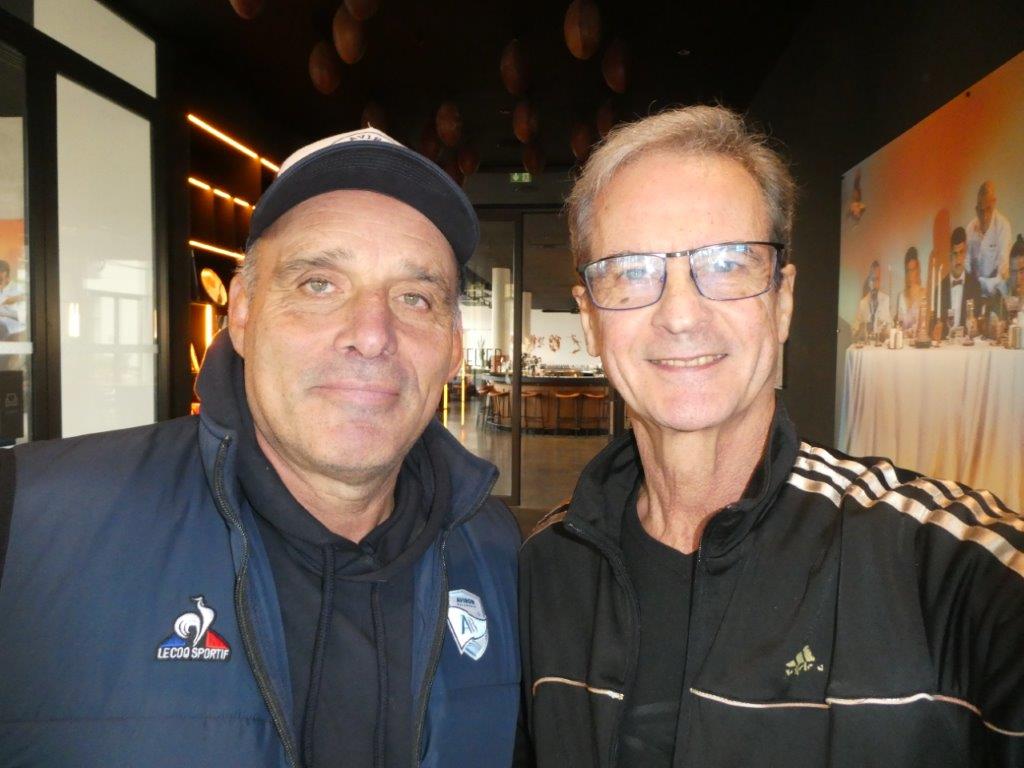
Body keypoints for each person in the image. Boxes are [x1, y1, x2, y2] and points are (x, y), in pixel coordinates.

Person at [516, 106, 1024, 767]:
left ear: (781, 301)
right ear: (590, 320)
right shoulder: (548, 567)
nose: (680, 314)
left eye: (728, 263)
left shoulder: (940, 568)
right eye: (632, 271)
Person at [0, 128, 521, 766]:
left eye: (415, 297)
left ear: (453, 348)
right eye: (319, 284)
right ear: (242, 312)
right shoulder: (29, 523)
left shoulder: (500, 556)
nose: (371, 335)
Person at [966, 180, 1012, 298]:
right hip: (974, 293)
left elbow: (1003, 271)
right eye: (981, 210)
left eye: (988, 209)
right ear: (976, 208)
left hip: (996, 294)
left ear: (994, 202)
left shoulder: (1003, 227)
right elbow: (966, 265)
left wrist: (979, 283)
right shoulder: (970, 229)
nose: (985, 216)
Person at [940, 226, 982, 334]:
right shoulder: (940, 288)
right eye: (955, 253)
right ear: (950, 255)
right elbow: (935, 325)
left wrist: (976, 327)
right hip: (946, 344)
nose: (958, 258)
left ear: (966, 253)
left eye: (961, 252)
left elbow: (978, 325)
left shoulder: (975, 286)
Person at [852, 259, 891, 339]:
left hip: (880, 344)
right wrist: (861, 328)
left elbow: (890, 327)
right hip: (867, 344)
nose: (875, 284)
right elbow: (854, 332)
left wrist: (886, 331)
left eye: (877, 279)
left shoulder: (886, 300)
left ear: (880, 280)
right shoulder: (863, 303)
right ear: (869, 280)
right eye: (872, 279)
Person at [894, 246, 926, 334]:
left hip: (918, 341)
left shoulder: (924, 294)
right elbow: (899, 325)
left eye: (913, 270)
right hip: (903, 341)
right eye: (908, 270)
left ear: (918, 270)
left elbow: (923, 325)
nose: (911, 274)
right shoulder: (901, 296)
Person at [0, 259, 25, 339]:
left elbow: (24, 316)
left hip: (12, 326)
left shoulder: (18, 289)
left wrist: (4, 313)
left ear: (4, 273)